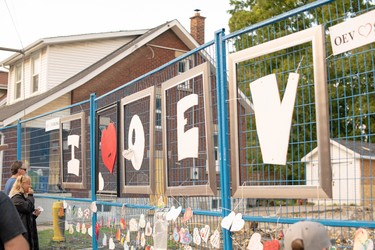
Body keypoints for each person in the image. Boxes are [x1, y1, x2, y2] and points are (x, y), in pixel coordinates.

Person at [9, 175, 41, 250]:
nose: (30, 186)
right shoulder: (16, 198)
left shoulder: (23, 197)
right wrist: (30, 195)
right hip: (22, 234)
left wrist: (34, 215)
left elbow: (26, 213)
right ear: (21, 184)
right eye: (28, 183)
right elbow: (27, 208)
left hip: (27, 232)